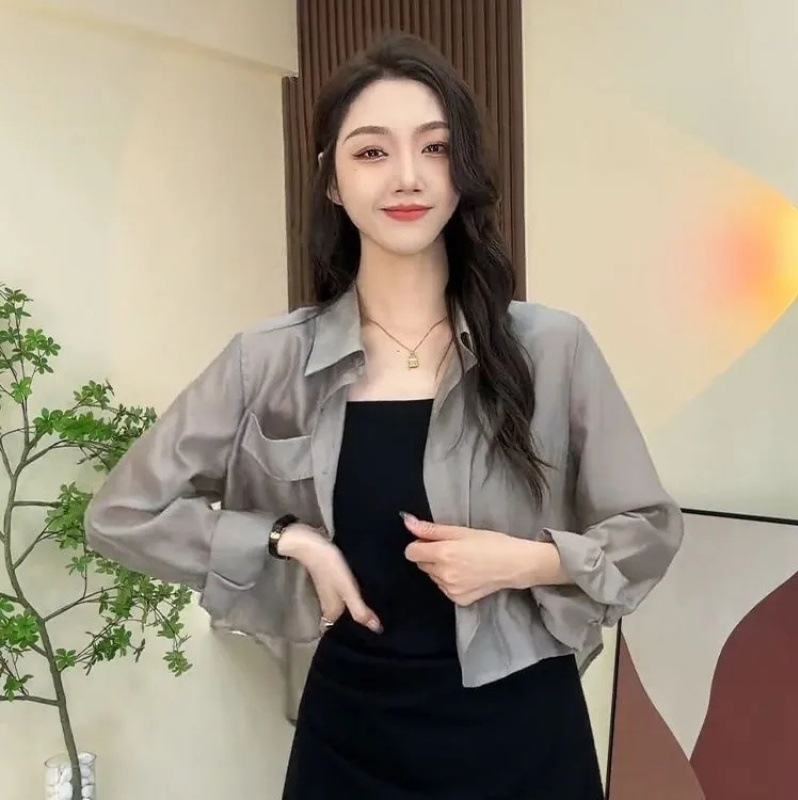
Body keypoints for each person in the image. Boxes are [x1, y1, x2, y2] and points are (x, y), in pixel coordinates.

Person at [85, 32, 684, 800]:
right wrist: (288, 538)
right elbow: (122, 515)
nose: (407, 175)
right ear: (333, 182)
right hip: (350, 742)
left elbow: (648, 528)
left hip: (524, 737)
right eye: (372, 152)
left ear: (463, 171)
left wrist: (526, 561)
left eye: (435, 148)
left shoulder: (551, 347)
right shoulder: (268, 360)